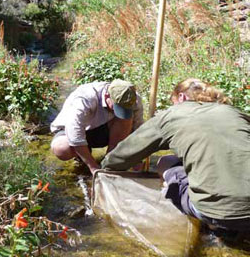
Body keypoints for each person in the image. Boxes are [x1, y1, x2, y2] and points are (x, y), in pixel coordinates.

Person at [101, 78, 250, 232]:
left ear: (182, 97)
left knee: (165, 161)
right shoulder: (236, 113)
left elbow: (126, 153)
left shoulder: (172, 115)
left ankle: (214, 225)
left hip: (215, 212)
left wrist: (105, 167)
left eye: (173, 102)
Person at [50, 79, 143, 174]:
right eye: (116, 108)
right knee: (62, 149)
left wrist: (137, 158)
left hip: (104, 130)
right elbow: (75, 136)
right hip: (71, 131)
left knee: (127, 118)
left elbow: (138, 130)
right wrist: (93, 167)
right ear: (107, 95)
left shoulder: (132, 99)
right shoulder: (84, 99)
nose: (117, 112)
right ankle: (82, 155)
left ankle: (111, 162)